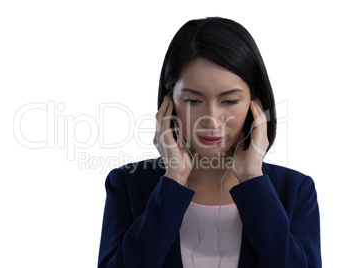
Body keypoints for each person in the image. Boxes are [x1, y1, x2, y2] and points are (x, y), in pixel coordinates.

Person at [97, 17, 321, 268]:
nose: (212, 121)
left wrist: (252, 180)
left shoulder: (295, 190)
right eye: (193, 101)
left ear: (255, 104)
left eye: (229, 101)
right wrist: (174, 180)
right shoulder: (127, 185)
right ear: (168, 104)